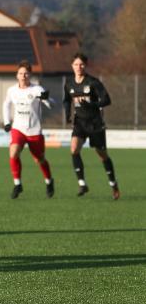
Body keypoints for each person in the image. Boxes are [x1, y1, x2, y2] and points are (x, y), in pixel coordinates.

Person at [62, 52, 120, 199]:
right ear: (72, 66)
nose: (78, 67)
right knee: (74, 149)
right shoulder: (69, 83)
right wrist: (67, 114)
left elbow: (107, 100)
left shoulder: (93, 82)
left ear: (85, 65)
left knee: (102, 155)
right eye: (76, 64)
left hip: (95, 123)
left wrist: (92, 104)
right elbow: (67, 100)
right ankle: (82, 184)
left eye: (81, 64)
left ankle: (113, 183)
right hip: (79, 123)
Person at [3, 60, 54, 199]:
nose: (23, 75)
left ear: (30, 75)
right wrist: (7, 122)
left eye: (26, 73)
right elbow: (6, 105)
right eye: (21, 73)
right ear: (17, 75)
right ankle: (17, 184)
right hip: (18, 129)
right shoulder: (11, 90)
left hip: (34, 131)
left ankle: (49, 181)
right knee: (13, 153)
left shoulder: (37, 89)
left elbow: (50, 103)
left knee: (39, 159)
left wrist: (47, 100)